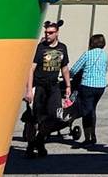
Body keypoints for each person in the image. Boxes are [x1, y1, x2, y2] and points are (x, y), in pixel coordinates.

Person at [25, 19, 72, 159]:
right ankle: (31, 146)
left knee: (55, 116)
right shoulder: (40, 48)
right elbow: (31, 69)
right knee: (33, 118)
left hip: (53, 86)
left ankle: (39, 140)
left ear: (57, 33)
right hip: (38, 86)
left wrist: (68, 86)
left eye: (51, 33)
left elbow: (64, 68)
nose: (47, 35)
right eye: (46, 32)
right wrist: (29, 90)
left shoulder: (62, 48)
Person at [69, 33, 108, 146]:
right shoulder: (105, 55)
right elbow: (106, 69)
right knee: (92, 109)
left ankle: (88, 138)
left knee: (86, 111)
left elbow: (74, 69)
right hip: (101, 86)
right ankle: (93, 134)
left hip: (88, 85)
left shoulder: (87, 54)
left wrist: (69, 76)